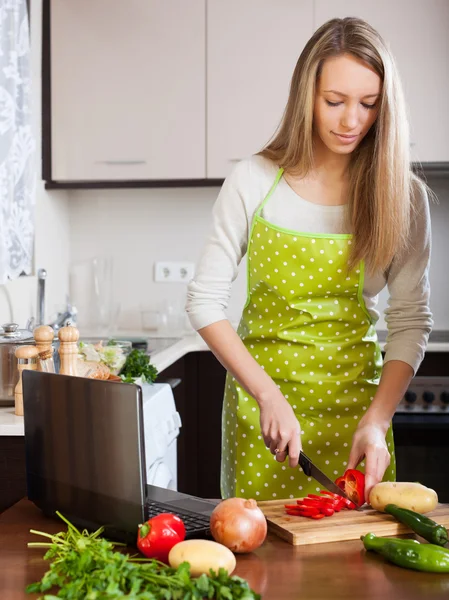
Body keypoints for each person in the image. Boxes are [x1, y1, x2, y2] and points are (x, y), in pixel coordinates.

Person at [186, 17, 433, 503]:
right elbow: (203, 301)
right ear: (307, 96)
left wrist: (378, 419)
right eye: (334, 102)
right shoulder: (254, 180)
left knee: (357, 574)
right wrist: (267, 396)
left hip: (359, 419)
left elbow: (409, 319)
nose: (351, 121)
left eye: (368, 104)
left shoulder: (402, 197)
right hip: (265, 418)